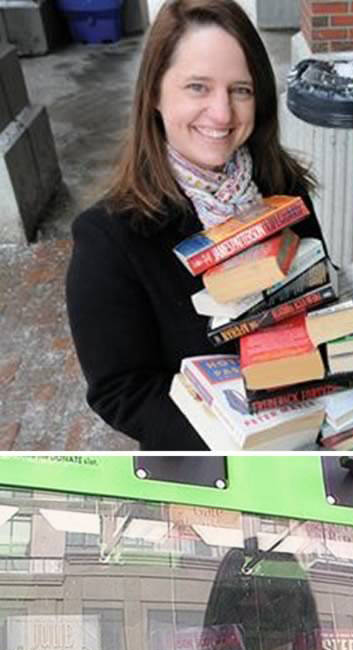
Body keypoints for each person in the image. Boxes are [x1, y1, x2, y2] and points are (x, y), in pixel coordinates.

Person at [66, 0, 323, 450]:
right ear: (154, 95)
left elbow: (316, 296)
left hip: (310, 430)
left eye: (240, 90)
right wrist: (241, 439)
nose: (222, 114)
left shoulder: (282, 187)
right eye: (198, 87)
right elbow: (121, 391)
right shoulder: (110, 237)